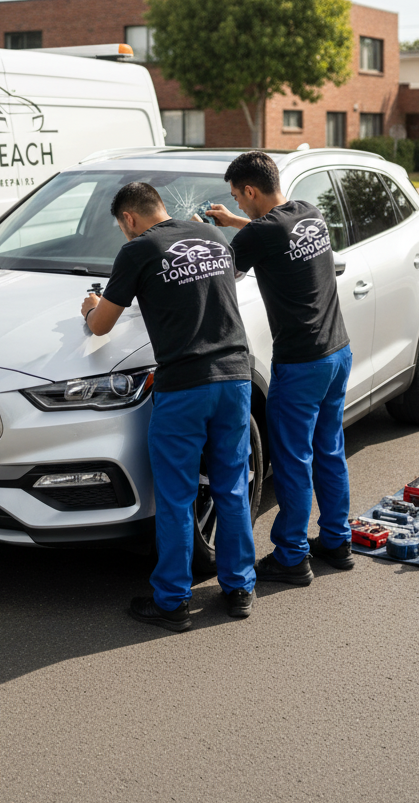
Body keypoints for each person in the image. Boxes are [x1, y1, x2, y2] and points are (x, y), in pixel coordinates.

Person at [80, 181, 256, 631]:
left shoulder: (138, 250)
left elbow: (101, 326)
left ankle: (173, 602)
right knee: (231, 485)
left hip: (184, 386)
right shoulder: (216, 237)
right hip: (236, 376)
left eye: (122, 228)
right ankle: (239, 588)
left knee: (176, 496)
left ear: (129, 219)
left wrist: (91, 305)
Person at [206, 151, 354, 585]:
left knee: (293, 460)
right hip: (338, 352)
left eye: (237, 198)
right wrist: (233, 225)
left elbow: (216, 273)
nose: (237, 206)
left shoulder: (261, 234)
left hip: (302, 362)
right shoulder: (308, 212)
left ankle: (292, 556)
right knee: (329, 450)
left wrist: (197, 235)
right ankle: (337, 541)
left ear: (250, 190)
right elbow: (270, 231)